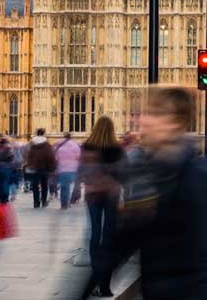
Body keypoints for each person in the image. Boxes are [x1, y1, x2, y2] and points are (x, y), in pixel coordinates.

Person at [100, 86, 207, 299]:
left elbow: (206, 260)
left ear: (174, 122)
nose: (143, 119)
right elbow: (126, 240)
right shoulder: (147, 169)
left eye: (154, 113)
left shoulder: (194, 175)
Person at [81, 116, 125, 297]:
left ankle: (97, 276)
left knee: (95, 233)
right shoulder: (116, 148)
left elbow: (82, 170)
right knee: (109, 236)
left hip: (93, 193)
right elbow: (123, 173)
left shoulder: (87, 146)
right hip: (111, 194)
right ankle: (105, 285)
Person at [26, 129, 56, 208]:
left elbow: (28, 155)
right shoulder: (47, 145)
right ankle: (43, 201)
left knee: (35, 185)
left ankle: (36, 202)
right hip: (44, 168)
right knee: (44, 185)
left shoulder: (32, 144)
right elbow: (50, 156)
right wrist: (52, 168)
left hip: (34, 168)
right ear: (44, 134)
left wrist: (29, 165)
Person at [0, 137, 15, 204]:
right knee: (5, 183)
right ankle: (5, 198)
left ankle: (1, 198)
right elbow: (11, 158)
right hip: (6, 167)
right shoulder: (9, 148)